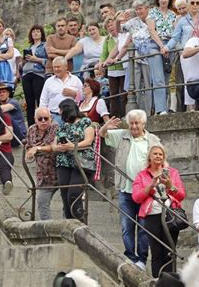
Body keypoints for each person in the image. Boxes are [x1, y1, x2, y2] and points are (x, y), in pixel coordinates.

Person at [99, 110, 161, 270]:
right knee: (127, 225)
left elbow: (162, 160)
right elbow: (102, 134)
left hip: (145, 191)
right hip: (125, 189)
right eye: (131, 123)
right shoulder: (122, 135)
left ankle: (141, 259)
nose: (133, 126)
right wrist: (107, 125)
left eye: (136, 123)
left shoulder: (153, 140)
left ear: (143, 124)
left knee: (143, 226)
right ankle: (130, 256)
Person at [132, 144, 186, 277]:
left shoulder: (172, 172)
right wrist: (150, 186)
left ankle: (170, 282)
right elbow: (136, 197)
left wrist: (170, 185)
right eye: (155, 154)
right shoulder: (142, 175)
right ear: (149, 157)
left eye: (160, 154)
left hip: (170, 214)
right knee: (156, 252)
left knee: (169, 252)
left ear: (164, 158)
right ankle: (158, 281)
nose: (158, 156)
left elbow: (181, 195)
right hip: (152, 215)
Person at [118, 0, 169, 115]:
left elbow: (157, 33)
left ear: (147, 8)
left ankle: (159, 109)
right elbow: (119, 30)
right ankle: (142, 112)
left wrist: (162, 46)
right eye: (136, 9)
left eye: (140, 8)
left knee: (157, 82)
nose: (138, 11)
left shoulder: (155, 18)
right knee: (137, 87)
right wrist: (118, 20)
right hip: (138, 57)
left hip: (152, 53)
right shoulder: (133, 22)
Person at [51, 99, 95, 222]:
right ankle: (70, 224)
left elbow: (88, 141)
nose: (59, 114)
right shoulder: (63, 126)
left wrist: (72, 146)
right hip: (64, 161)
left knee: (74, 194)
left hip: (81, 161)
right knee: (65, 195)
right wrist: (58, 147)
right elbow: (53, 145)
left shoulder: (85, 122)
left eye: (61, 110)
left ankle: (80, 224)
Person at [168, 0, 199, 110]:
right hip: (187, 52)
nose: (195, 5)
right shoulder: (182, 21)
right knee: (188, 79)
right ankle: (191, 107)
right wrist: (166, 48)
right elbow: (175, 37)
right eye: (192, 3)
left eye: (198, 3)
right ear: (188, 4)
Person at [25, 107, 59, 220]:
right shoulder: (31, 130)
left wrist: (38, 148)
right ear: (35, 119)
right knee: (42, 201)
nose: (43, 121)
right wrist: (37, 148)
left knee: (68, 201)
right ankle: (48, 228)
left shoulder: (55, 128)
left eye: (46, 118)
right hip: (43, 175)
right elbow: (29, 148)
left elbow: (53, 147)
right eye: (40, 119)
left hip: (59, 170)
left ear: (51, 118)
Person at [149, 0, 177, 113]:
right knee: (158, 78)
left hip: (169, 45)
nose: (163, 1)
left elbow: (176, 32)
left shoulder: (173, 14)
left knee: (166, 78)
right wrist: (161, 46)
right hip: (155, 45)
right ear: (158, 0)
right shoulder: (152, 12)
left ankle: (164, 107)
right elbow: (151, 31)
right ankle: (160, 110)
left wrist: (168, 47)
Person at [39, 56, 83, 126]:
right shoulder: (49, 81)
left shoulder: (76, 80)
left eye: (58, 67)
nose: (56, 69)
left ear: (66, 67)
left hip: (72, 116)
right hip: (54, 117)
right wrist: (44, 116)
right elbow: (43, 101)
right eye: (54, 67)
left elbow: (83, 98)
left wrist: (74, 94)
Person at [99, 16, 128, 118]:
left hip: (122, 68)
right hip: (112, 70)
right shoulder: (107, 40)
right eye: (108, 26)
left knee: (124, 93)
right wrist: (101, 63)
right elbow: (104, 54)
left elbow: (120, 50)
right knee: (113, 95)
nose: (110, 27)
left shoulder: (123, 35)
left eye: (112, 25)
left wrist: (114, 60)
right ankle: (115, 116)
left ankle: (125, 115)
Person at [22, 24, 48, 126]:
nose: (35, 33)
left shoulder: (45, 45)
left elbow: (48, 61)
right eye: (33, 31)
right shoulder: (29, 47)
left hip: (39, 74)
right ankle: (31, 127)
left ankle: (41, 124)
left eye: (38, 31)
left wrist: (35, 59)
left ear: (42, 33)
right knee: (29, 103)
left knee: (39, 100)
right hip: (26, 74)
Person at [0, 82, 27, 147]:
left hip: (19, 135)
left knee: (4, 115)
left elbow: (1, 109)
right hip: (6, 135)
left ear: (8, 93)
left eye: (4, 92)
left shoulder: (13, 102)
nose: (2, 94)